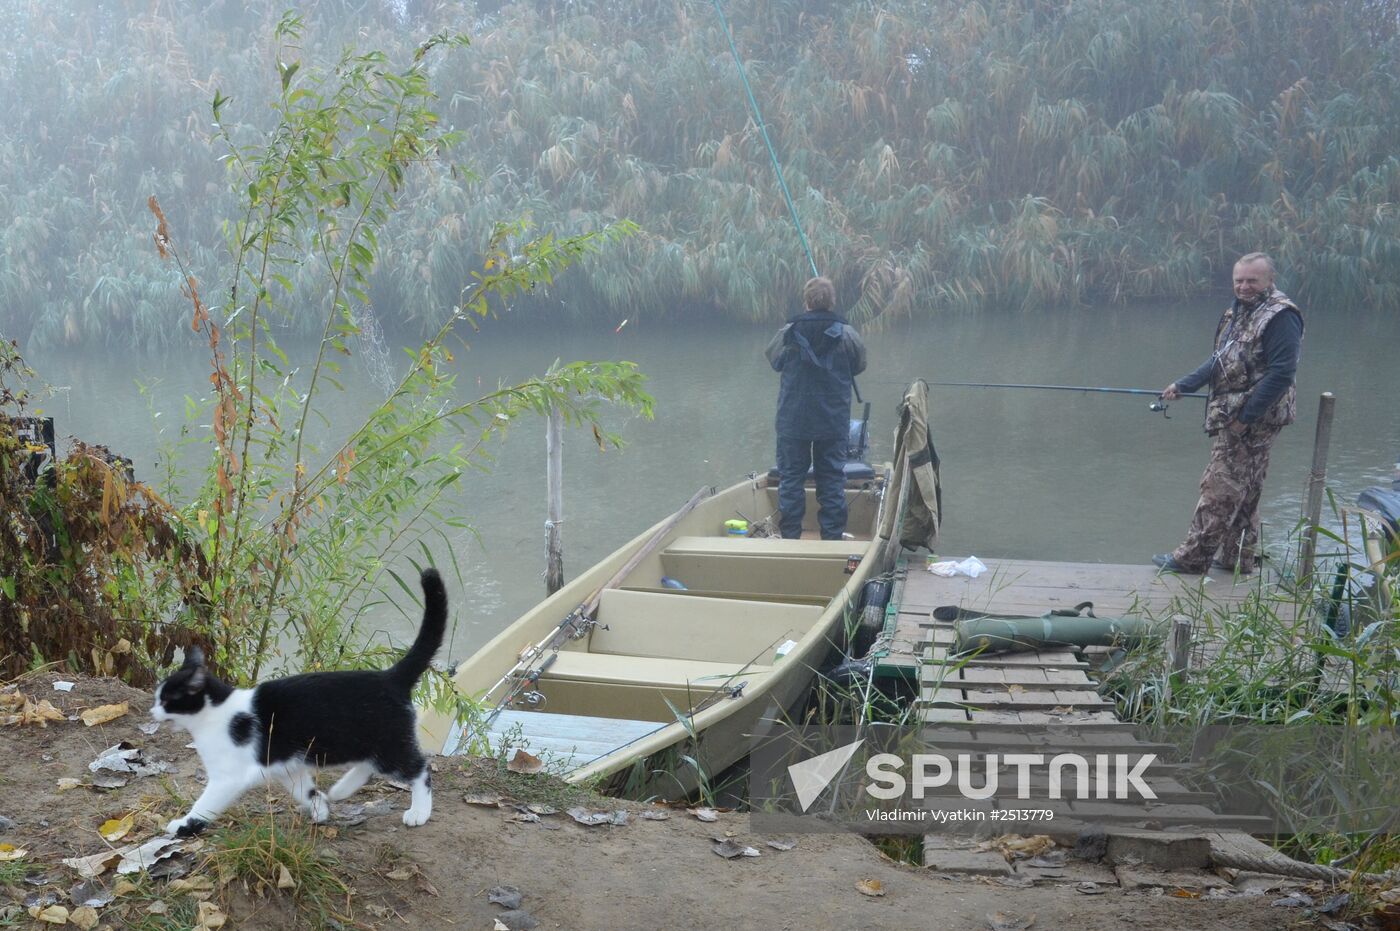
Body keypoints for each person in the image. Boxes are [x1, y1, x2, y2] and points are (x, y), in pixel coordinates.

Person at [1153, 253, 1305, 575]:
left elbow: (1281, 374)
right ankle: (1238, 559)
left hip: (1253, 420)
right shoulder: (1239, 312)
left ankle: (1192, 559)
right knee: (1245, 490)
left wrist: (1243, 419)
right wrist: (1184, 385)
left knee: (1219, 486)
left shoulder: (1281, 316)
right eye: (1239, 281)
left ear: (1269, 280)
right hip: (1237, 415)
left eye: (1252, 280)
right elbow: (1220, 360)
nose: (1244, 287)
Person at [766, 276, 867, 540]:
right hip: (832, 422)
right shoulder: (847, 334)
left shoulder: (789, 331)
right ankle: (832, 540)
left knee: (791, 480)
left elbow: (773, 359)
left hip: (793, 421)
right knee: (832, 480)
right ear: (832, 301)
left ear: (806, 301)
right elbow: (859, 365)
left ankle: (790, 538)